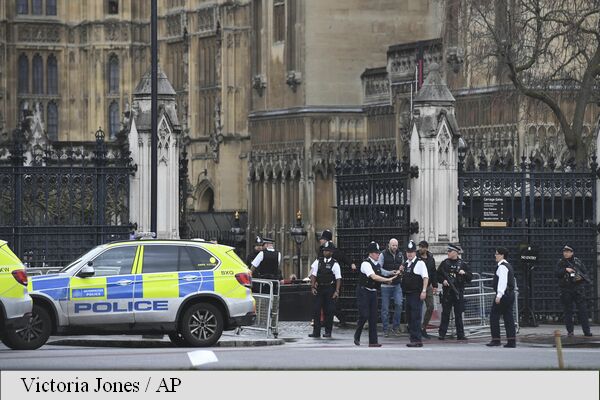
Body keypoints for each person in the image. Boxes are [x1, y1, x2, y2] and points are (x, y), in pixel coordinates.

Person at [354, 241, 396, 347]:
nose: (378, 254)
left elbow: (381, 273)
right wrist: (387, 280)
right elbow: (373, 276)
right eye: (376, 253)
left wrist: (391, 275)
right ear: (371, 253)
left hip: (373, 292)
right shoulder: (366, 264)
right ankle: (357, 335)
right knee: (364, 315)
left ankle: (373, 341)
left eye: (378, 253)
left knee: (373, 317)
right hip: (363, 291)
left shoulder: (377, 265)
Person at [318, 229, 355, 326]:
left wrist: (351, 263)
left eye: (322, 239)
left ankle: (342, 319)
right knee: (325, 302)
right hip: (323, 280)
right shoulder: (321, 250)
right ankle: (325, 321)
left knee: (333, 302)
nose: (320, 240)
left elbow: (343, 257)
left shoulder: (333, 251)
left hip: (333, 280)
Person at [555, 244, 593, 337]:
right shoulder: (561, 262)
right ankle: (570, 331)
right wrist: (565, 270)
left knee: (583, 311)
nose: (566, 253)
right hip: (566, 289)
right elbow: (557, 273)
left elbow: (585, 273)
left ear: (572, 253)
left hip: (578, 289)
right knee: (568, 311)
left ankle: (586, 331)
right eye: (564, 252)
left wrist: (579, 277)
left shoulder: (578, 262)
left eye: (568, 252)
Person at [437, 243, 472, 341]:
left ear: (456, 252)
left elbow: (470, 278)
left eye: (450, 251)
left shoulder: (462, 264)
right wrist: (443, 281)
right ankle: (442, 334)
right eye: (448, 251)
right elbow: (437, 275)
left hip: (458, 292)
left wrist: (464, 273)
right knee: (445, 314)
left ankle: (460, 334)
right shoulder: (444, 263)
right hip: (447, 293)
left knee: (458, 315)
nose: (448, 253)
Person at [308, 241, 342, 338]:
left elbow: (338, 278)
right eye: (324, 250)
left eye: (327, 251)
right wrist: (313, 286)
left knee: (329, 310)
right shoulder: (318, 261)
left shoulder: (335, 263)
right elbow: (313, 274)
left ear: (331, 252)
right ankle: (316, 332)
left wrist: (336, 291)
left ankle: (328, 331)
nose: (325, 252)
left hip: (329, 288)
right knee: (316, 310)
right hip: (319, 288)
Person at [487, 247, 517, 347]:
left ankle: (496, 340)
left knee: (494, 316)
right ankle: (511, 341)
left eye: (497, 254)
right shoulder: (508, 265)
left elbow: (502, 282)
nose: (495, 255)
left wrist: (499, 295)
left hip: (504, 295)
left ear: (502, 255)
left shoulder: (502, 267)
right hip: (509, 294)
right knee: (508, 317)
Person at [401, 240, 429, 347]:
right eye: (408, 252)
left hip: (416, 294)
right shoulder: (406, 263)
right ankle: (413, 338)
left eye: (411, 252)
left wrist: (424, 291)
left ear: (415, 252)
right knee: (409, 317)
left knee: (415, 317)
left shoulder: (420, 263)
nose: (409, 254)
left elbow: (425, 277)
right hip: (408, 294)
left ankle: (417, 340)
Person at [377, 238, 404, 337]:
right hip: (385, 285)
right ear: (389, 245)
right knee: (385, 308)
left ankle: (395, 327)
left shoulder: (400, 254)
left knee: (399, 304)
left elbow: (403, 265)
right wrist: (389, 273)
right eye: (393, 245)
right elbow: (379, 268)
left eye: (396, 245)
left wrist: (400, 270)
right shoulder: (383, 254)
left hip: (397, 284)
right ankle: (385, 329)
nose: (395, 247)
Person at [418, 240, 438, 339]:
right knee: (417, 308)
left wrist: (435, 285)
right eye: (420, 247)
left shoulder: (431, 259)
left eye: (422, 247)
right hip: (417, 286)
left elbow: (433, 272)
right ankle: (415, 327)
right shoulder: (416, 257)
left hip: (428, 285)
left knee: (430, 306)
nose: (420, 249)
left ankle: (423, 327)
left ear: (426, 248)